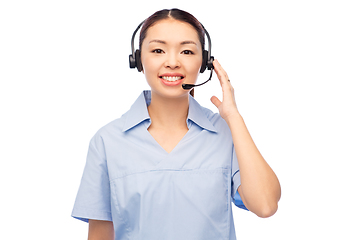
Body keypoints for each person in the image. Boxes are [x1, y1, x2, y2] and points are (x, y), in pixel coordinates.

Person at [72, 8, 281, 240]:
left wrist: (234, 117)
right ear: (138, 59)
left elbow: (265, 206)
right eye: (158, 50)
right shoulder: (107, 141)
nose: (172, 62)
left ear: (204, 62)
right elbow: (100, 235)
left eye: (187, 51)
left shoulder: (226, 132)